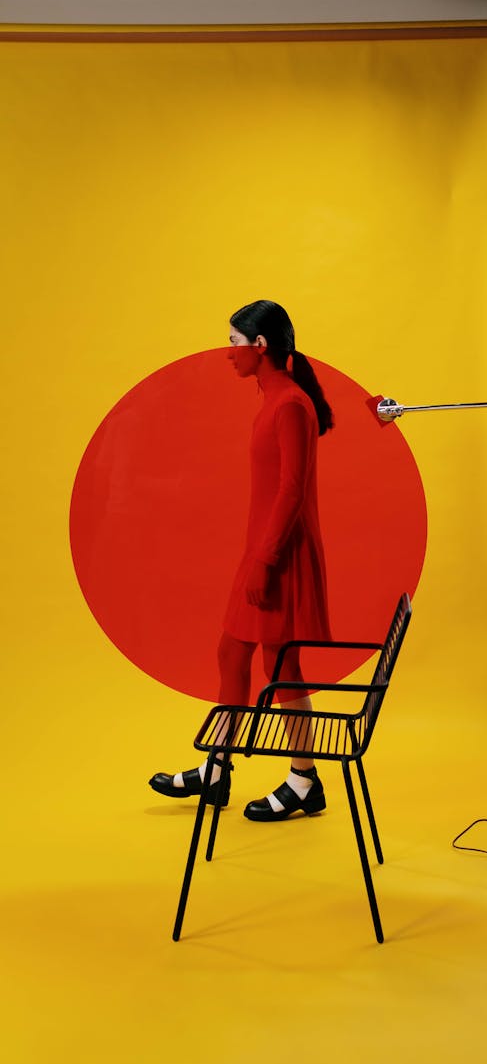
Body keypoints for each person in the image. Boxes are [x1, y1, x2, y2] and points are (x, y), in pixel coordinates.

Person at [149, 299, 334, 820]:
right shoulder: (274, 401)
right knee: (233, 655)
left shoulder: (291, 405)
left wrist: (266, 560)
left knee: (284, 667)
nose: (227, 352)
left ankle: (304, 780)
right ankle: (218, 768)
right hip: (262, 552)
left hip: (278, 557)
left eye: (233, 342)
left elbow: (293, 492)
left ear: (260, 345)